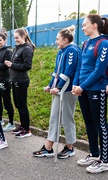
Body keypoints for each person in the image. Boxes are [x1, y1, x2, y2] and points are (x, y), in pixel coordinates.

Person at [32, 25, 81, 159]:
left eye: (58, 39)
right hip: (59, 90)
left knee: (67, 119)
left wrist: (58, 87)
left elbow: (69, 71)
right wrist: (50, 85)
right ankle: (48, 147)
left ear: (65, 39)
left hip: (68, 90)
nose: (56, 41)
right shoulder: (61, 51)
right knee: (54, 118)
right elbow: (57, 71)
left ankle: (70, 148)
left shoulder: (72, 50)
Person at [72, 14, 108, 174]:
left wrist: (83, 86)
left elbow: (99, 71)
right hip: (83, 89)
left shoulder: (104, 43)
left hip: (96, 89)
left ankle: (105, 160)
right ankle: (94, 154)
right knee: (89, 123)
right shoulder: (86, 43)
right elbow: (81, 66)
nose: (82, 27)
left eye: (85, 24)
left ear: (95, 26)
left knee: (100, 124)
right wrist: (76, 84)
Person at [4, 28, 35, 138]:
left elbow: (27, 66)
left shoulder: (27, 49)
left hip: (21, 81)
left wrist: (11, 65)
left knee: (22, 105)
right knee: (18, 104)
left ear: (23, 36)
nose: (15, 40)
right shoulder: (18, 48)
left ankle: (26, 129)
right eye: (14, 37)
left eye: (17, 37)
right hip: (14, 80)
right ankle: (22, 126)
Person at [0, 33, 15, 131]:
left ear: (5, 41)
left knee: (7, 101)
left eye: (0, 40)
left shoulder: (8, 51)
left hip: (5, 80)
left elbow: (6, 65)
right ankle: (0, 120)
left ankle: (11, 123)